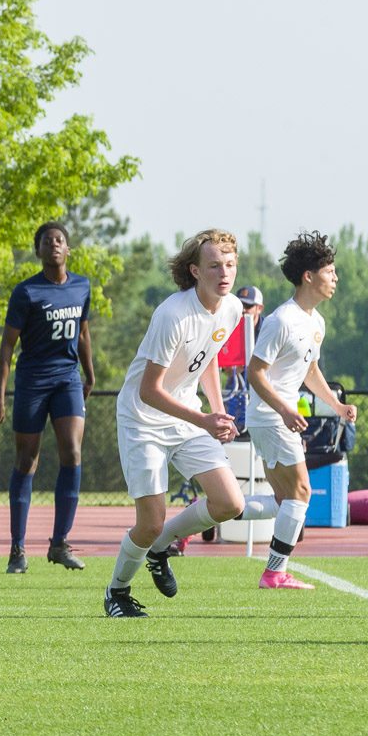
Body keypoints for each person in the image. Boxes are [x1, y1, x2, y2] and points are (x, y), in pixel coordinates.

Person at [104, 228, 248, 617]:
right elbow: (148, 391)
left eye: (230, 265)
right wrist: (204, 419)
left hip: (187, 415)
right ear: (195, 271)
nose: (224, 273)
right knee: (149, 523)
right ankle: (117, 593)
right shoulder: (172, 314)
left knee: (229, 503)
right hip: (142, 420)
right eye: (215, 265)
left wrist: (218, 412)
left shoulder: (232, 307)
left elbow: (209, 356)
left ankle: (160, 546)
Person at [246, 231, 357, 589]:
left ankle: (210, 510)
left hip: (275, 417)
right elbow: (255, 372)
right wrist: (283, 410)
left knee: (284, 501)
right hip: (270, 417)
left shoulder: (316, 322)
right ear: (308, 276)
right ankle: (274, 572)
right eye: (330, 271)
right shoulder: (281, 320)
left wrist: (337, 405)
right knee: (302, 494)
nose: (336, 278)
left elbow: (310, 371)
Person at [0, 221, 94, 574]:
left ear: (68, 249)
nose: (54, 245)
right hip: (32, 381)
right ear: (38, 251)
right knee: (26, 459)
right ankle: (17, 549)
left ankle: (60, 543)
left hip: (67, 379)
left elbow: (82, 332)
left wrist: (89, 373)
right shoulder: (26, 292)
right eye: (47, 241)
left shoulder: (81, 286)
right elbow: (6, 347)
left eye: (60, 240)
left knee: (72, 451)